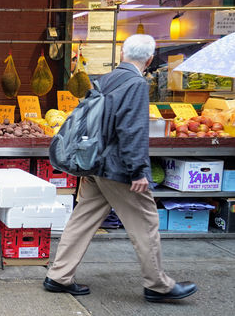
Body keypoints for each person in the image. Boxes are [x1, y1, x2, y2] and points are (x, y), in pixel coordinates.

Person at [43, 34, 197, 302]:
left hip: (93, 163)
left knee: (82, 220)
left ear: (122, 53)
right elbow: (132, 130)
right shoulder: (136, 83)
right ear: (149, 60)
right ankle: (158, 285)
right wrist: (138, 170)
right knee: (146, 222)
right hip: (118, 169)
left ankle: (58, 275)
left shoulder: (107, 78)